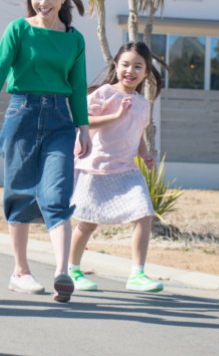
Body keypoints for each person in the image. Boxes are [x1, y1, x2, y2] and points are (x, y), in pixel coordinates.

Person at [0, 0, 91, 303]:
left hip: (59, 119)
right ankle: (20, 271)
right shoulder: (19, 30)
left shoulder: (74, 39)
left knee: (56, 195)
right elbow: (1, 67)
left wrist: (83, 128)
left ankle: (61, 273)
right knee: (21, 193)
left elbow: (79, 87)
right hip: (22, 112)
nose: (43, 2)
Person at [68, 41, 167, 293]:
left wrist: (145, 156)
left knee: (144, 214)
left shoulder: (143, 104)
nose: (130, 71)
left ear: (146, 72)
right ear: (115, 66)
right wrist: (114, 116)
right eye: (125, 64)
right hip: (96, 168)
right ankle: (72, 270)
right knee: (88, 223)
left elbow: (136, 135)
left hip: (127, 171)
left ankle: (137, 274)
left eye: (137, 66)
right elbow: (84, 121)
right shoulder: (102, 95)